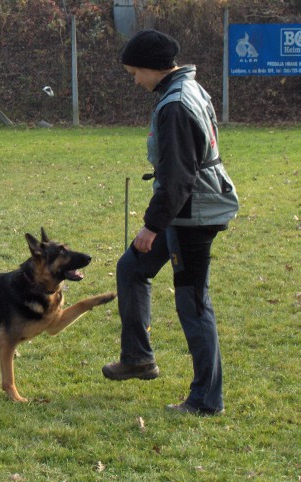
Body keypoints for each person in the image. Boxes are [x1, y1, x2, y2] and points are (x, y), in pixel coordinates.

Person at [101, 30, 239, 415]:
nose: (135, 80)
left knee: (193, 304)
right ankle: (137, 358)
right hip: (185, 207)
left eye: (135, 72)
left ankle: (206, 400)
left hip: (192, 213)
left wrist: (152, 226)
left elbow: (180, 176)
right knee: (132, 268)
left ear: (153, 68)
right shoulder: (185, 87)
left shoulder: (176, 103)